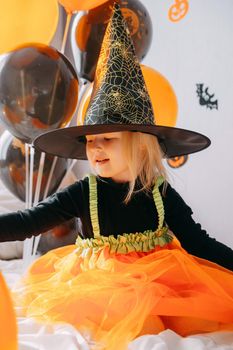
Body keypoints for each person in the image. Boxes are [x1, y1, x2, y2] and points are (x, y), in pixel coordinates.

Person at [1, 4, 233, 350]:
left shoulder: (159, 192)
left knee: (190, 314)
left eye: (107, 139)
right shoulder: (85, 191)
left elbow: (198, 242)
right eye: (91, 141)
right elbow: (30, 220)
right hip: (101, 285)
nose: (95, 149)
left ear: (140, 145)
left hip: (159, 279)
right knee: (136, 319)